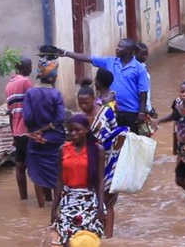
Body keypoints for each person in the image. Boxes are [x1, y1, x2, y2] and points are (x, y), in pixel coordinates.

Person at [59, 39, 149, 134]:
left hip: (131, 112)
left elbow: (143, 92)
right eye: (118, 46)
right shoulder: (110, 62)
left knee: (130, 143)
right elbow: (88, 58)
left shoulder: (139, 68)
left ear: (129, 51)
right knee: (114, 141)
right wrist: (66, 53)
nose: (117, 49)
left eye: (121, 47)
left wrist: (141, 112)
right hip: (113, 111)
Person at [76, 83, 127, 239]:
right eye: (81, 103)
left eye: (86, 102)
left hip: (109, 162)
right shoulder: (79, 119)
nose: (84, 106)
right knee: (91, 200)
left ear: (93, 99)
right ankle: (94, 235)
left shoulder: (107, 113)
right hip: (89, 164)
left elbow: (118, 133)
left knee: (107, 201)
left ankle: (109, 238)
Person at [50, 114, 105, 246]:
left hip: (89, 201)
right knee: (67, 241)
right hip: (68, 200)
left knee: (87, 241)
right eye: (71, 130)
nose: (73, 133)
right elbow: (59, 181)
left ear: (86, 129)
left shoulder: (98, 150)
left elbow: (100, 181)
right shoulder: (63, 150)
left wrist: (100, 207)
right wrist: (54, 208)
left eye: (77, 130)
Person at [23, 57, 66, 208]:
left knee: (37, 174)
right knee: (55, 172)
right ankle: (56, 207)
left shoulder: (30, 93)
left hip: (35, 138)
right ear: (53, 76)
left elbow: (27, 118)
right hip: (54, 139)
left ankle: (41, 207)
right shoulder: (56, 94)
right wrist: (46, 129)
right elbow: (60, 118)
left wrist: (36, 131)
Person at [6, 56, 33, 200]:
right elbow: (34, 103)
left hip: (17, 132)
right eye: (30, 65)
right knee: (37, 165)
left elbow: (10, 113)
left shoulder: (9, 85)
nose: (31, 68)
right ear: (23, 67)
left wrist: (13, 136)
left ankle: (23, 198)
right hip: (27, 130)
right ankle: (46, 201)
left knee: (20, 166)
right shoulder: (25, 82)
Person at [134, 43, 155, 119]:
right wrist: (148, 109)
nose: (145, 57)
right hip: (140, 108)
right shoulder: (139, 70)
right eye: (142, 55)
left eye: (146, 54)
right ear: (134, 53)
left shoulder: (142, 66)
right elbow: (144, 93)